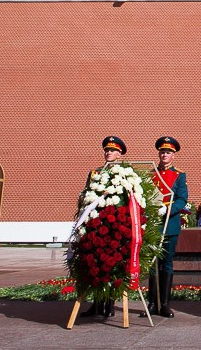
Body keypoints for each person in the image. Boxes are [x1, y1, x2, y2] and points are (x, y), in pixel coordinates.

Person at [80, 135, 127, 319]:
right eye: (107, 150)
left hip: (115, 227)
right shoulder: (95, 173)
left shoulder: (123, 174)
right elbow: (86, 195)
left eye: (113, 150)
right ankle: (97, 302)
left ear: (119, 153)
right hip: (95, 225)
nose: (109, 153)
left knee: (113, 265)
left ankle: (110, 303)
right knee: (95, 264)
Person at [143, 136, 187, 318]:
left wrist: (167, 208)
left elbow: (182, 199)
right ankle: (152, 303)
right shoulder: (151, 174)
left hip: (170, 225)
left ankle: (165, 304)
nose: (164, 155)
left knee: (166, 264)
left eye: (168, 152)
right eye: (162, 152)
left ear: (173, 156)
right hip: (153, 225)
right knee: (153, 264)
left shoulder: (179, 175)